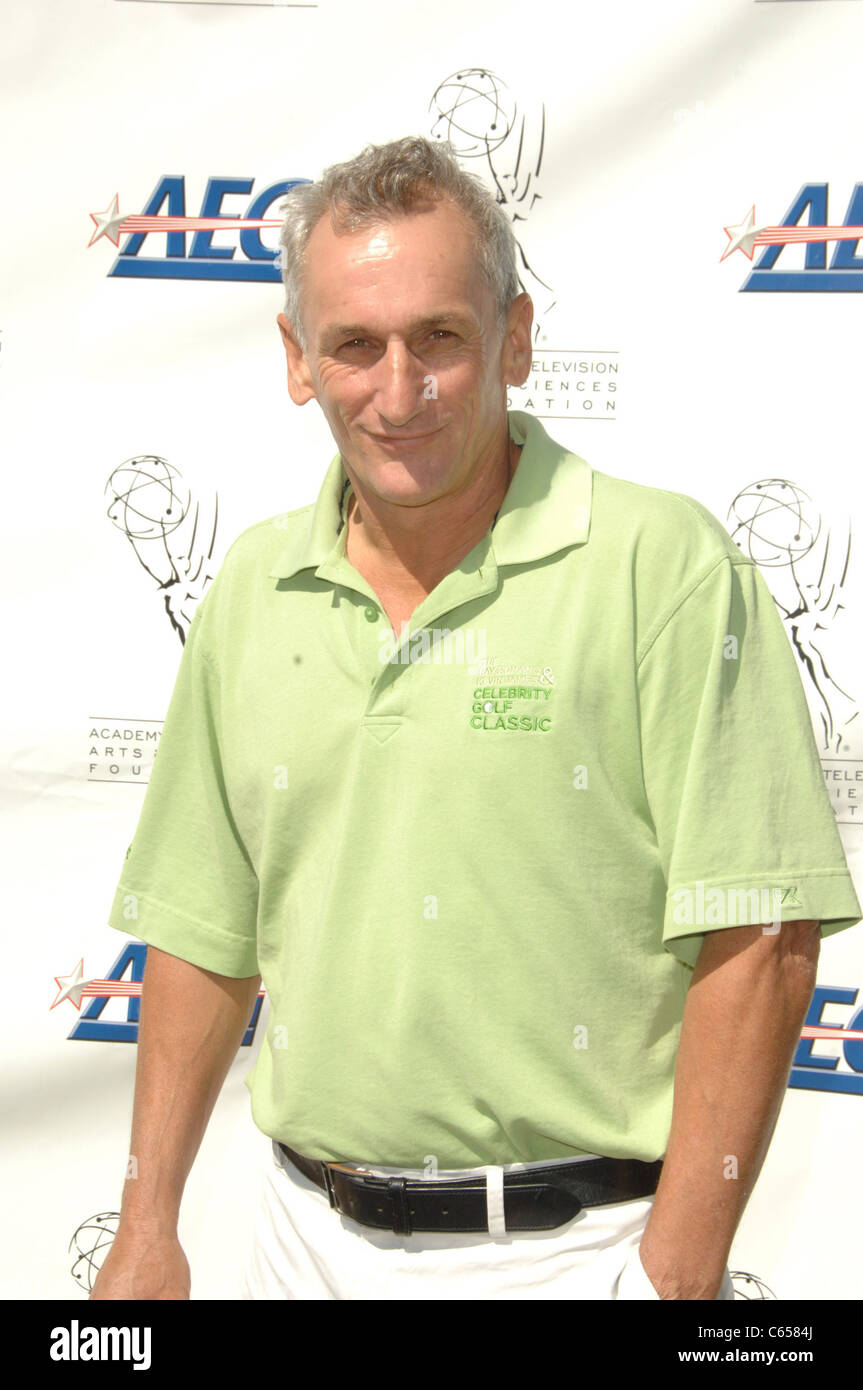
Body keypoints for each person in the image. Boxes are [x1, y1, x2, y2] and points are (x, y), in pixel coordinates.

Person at [90, 135, 862, 1302]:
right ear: (298, 361)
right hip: (300, 1242)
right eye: (354, 345)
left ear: (516, 339)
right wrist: (146, 1224)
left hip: (580, 1255)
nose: (397, 393)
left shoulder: (664, 569)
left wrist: (674, 1275)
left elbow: (759, 933)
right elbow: (202, 925)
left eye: (437, 337)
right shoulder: (251, 588)